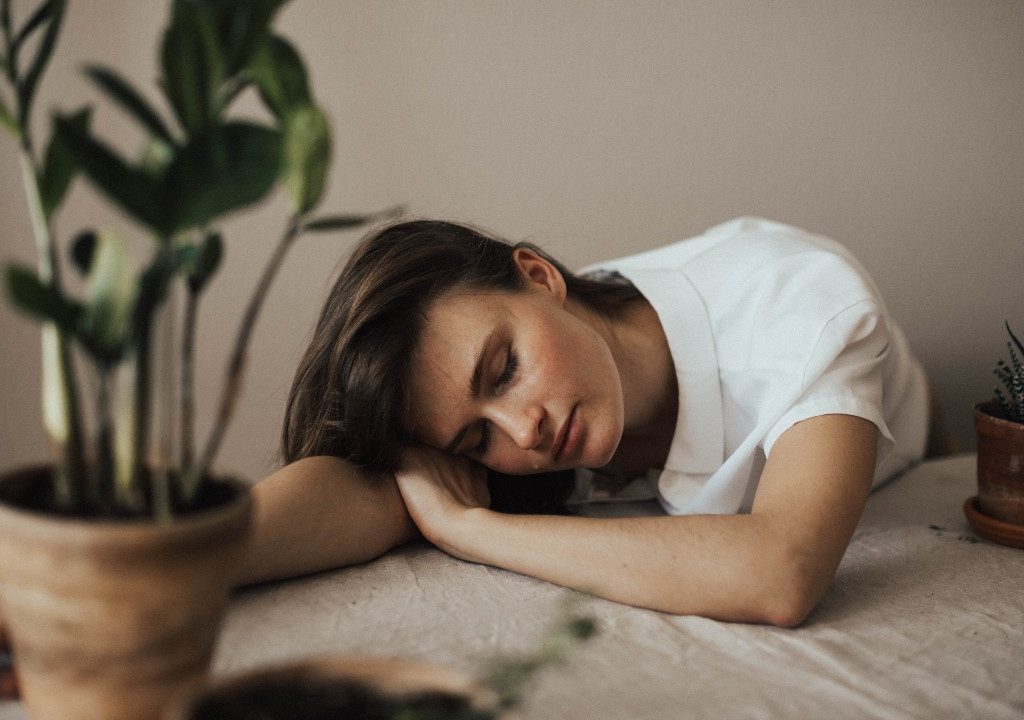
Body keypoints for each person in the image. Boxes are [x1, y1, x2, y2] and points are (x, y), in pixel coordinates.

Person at [239, 215, 951, 627]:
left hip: (924, 438)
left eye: (504, 370)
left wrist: (473, 530)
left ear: (541, 276)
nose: (524, 434)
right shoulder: (522, 424)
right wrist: (180, 559)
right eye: (475, 438)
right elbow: (367, 488)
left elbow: (781, 572)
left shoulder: (794, 298)